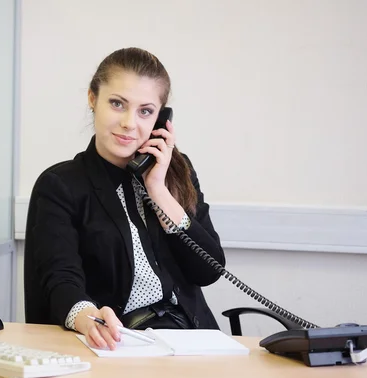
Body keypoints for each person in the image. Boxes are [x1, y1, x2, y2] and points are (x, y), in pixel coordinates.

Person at [24, 47, 226, 350]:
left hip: (192, 340)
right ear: (93, 99)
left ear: (161, 119)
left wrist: (159, 190)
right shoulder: (61, 185)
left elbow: (209, 270)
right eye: (118, 104)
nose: (130, 123)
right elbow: (59, 279)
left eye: (145, 111)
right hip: (119, 342)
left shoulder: (176, 173)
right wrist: (88, 317)